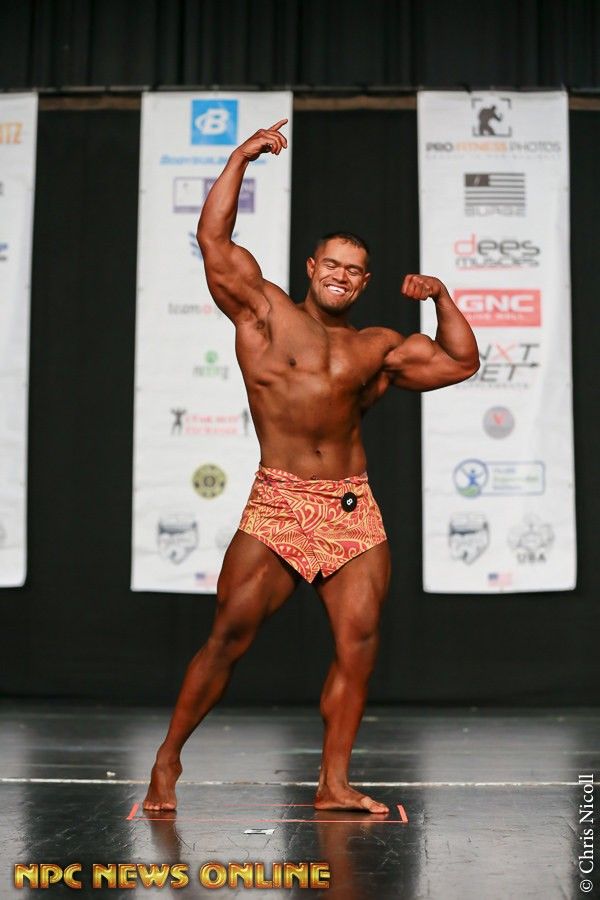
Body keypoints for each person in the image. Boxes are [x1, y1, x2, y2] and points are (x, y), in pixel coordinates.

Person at [143, 119, 479, 814]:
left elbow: (460, 361)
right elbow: (213, 241)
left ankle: (334, 783)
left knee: (359, 644)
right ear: (311, 267)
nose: (341, 276)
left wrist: (442, 297)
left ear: (364, 282)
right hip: (280, 502)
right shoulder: (262, 313)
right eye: (332, 264)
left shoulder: (377, 347)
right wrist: (241, 156)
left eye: (354, 270)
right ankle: (168, 758)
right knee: (228, 637)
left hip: (350, 507)